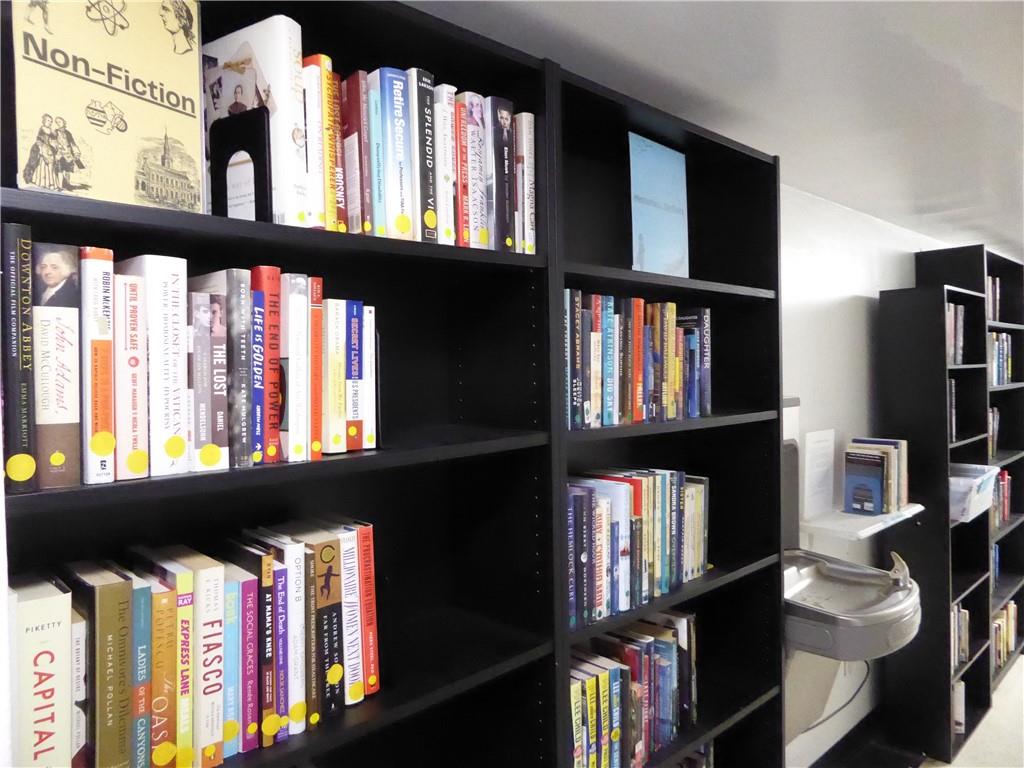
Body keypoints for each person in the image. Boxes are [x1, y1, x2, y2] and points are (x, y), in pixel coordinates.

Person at [22, 114, 58, 191]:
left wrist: (54, 145)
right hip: (41, 147)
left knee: (51, 165)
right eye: (48, 121)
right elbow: (39, 140)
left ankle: (51, 183)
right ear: (44, 121)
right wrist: (41, 150)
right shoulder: (42, 129)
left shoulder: (51, 130)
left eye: (51, 121)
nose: (50, 122)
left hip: (49, 148)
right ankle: (43, 182)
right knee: (42, 164)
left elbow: (54, 140)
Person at [53, 117, 84, 190]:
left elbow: (72, 143)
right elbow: (52, 141)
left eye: (60, 122)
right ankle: (60, 186)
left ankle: (67, 184)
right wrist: (58, 146)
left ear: (64, 122)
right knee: (60, 170)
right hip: (60, 154)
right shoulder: (55, 132)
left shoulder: (68, 133)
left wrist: (76, 153)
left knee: (67, 170)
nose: (58, 123)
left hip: (68, 154)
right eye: (57, 122)